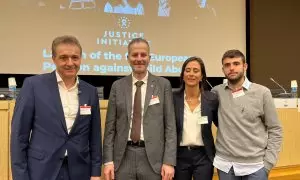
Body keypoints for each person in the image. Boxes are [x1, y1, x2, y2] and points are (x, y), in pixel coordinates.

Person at [10, 35, 102, 180]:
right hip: (42, 170)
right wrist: (20, 176)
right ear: (53, 59)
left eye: (75, 57)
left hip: (79, 170)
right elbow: (19, 136)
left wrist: (96, 172)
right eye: (63, 57)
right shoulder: (33, 86)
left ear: (81, 58)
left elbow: (95, 136)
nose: (70, 63)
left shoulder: (90, 91)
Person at [103, 37, 176, 180]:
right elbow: (110, 128)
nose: (139, 59)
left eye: (143, 55)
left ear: (150, 57)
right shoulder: (117, 86)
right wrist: (108, 160)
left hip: (153, 160)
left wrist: (169, 161)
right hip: (122, 158)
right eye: (134, 55)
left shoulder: (163, 85)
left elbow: (170, 127)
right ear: (128, 58)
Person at [212, 49, 283, 180]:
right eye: (227, 65)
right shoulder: (216, 92)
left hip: (255, 167)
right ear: (223, 69)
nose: (231, 68)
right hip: (226, 165)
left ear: (245, 66)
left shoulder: (262, 93)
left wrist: (268, 163)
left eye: (236, 63)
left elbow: (275, 129)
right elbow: (218, 120)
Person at [173, 56, 218, 180]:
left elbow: (222, 125)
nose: (191, 74)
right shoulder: (173, 98)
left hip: (204, 155)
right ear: (182, 75)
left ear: (202, 76)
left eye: (196, 70)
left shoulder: (211, 99)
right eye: (187, 70)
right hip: (179, 156)